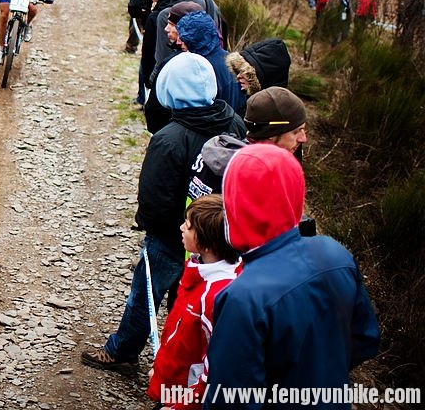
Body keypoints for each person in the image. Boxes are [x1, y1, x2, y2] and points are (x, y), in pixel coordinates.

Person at [82, 52, 246, 373]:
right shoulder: (233, 122)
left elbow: (153, 201)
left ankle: (124, 351)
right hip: (218, 235)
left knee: (145, 295)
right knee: (189, 298)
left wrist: (151, 228)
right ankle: (180, 361)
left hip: (171, 237)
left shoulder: (169, 138)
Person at [202, 145, 380, 405]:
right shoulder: (335, 254)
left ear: (237, 207)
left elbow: (230, 398)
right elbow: (366, 339)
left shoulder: (242, 297)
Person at [146, 194, 240, 410]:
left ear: (206, 241)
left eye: (188, 226)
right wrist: (161, 369)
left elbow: (213, 368)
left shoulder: (216, 295)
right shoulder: (197, 269)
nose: (181, 228)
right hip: (173, 389)